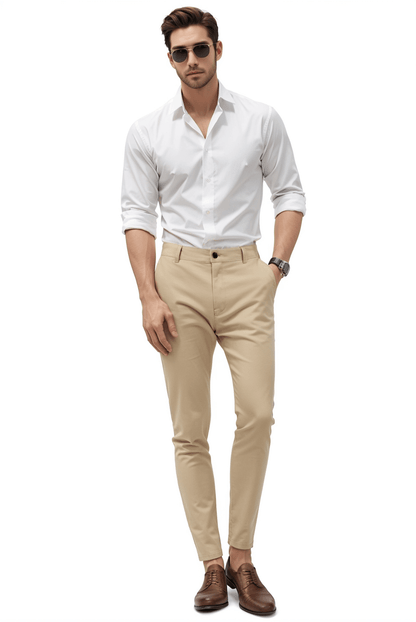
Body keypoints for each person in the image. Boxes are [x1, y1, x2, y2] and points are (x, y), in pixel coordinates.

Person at [120, 6, 306, 616]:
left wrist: (275, 269)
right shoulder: (148, 131)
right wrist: (148, 295)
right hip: (177, 279)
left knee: (257, 414)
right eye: (181, 53)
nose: (192, 61)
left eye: (201, 49)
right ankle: (209, 564)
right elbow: (137, 213)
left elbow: (290, 191)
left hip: (248, 274)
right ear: (169, 59)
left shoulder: (260, 119)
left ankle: (241, 558)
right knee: (189, 425)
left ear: (219, 50)